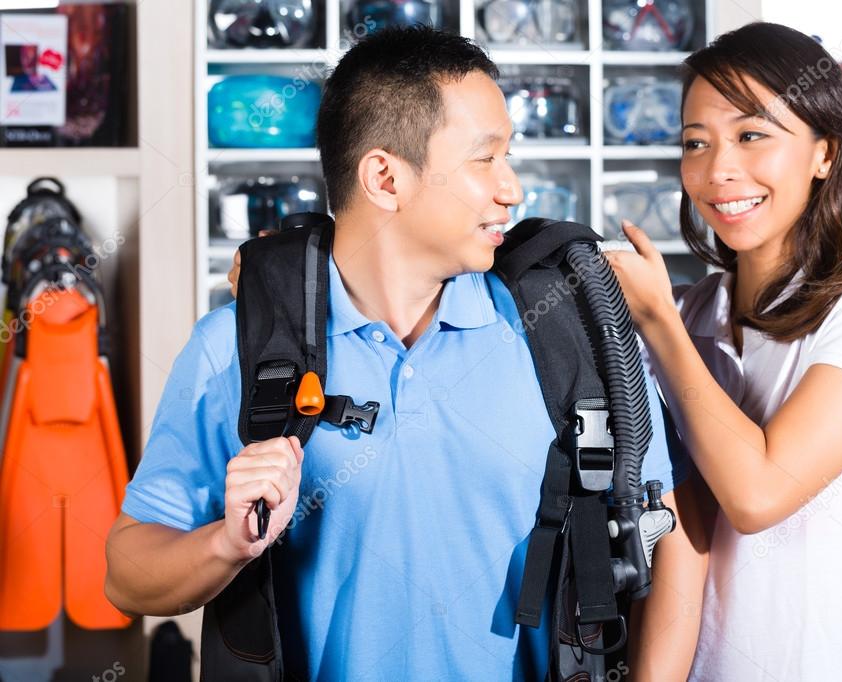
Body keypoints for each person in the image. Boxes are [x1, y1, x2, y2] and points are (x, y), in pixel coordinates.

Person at [105, 27, 705, 680]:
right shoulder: (233, 349)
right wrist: (225, 544)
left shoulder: (575, 337)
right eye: (485, 159)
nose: (513, 189)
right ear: (385, 177)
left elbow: (676, 540)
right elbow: (127, 575)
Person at [605, 22, 842, 680]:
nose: (718, 169)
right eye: (695, 142)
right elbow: (680, 531)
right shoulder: (693, 313)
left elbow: (757, 494)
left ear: (824, 153)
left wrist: (655, 323)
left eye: (752, 135)